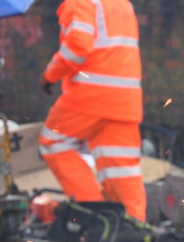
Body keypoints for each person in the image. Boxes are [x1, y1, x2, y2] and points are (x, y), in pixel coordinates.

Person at [39, 0, 146, 226]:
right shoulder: (121, 4)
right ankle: (133, 227)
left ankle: (93, 215)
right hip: (126, 98)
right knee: (121, 168)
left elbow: (78, 45)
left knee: (54, 141)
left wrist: (50, 74)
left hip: (90, 95)